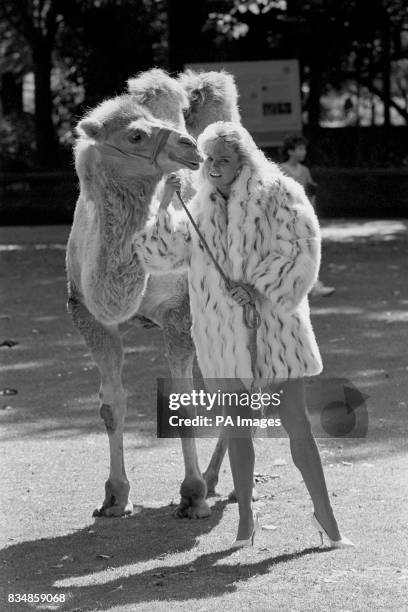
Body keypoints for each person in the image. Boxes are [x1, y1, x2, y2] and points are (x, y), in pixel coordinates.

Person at [134, 122, 354, 550]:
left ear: (244, 159)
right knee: (238, 429)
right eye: (209, 160)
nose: (214, 168)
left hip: (274, 331)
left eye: (224, 160)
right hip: (220, 336)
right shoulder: (197, 206)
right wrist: (162, 205)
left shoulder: (281, 192)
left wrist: (257, 287)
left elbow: (302, 250)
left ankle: (327, 517)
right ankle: (245, 521)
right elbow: (159, 256)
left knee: (297, 426)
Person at [281, 135, 335, 297]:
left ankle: (312, 284)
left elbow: (311, 192)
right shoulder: (280, 169)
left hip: (303, 218)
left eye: (303, 148)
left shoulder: (305, 171)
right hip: (287, 219)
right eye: (300, 148)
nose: (303, 152)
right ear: (290, 151)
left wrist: (313, 212)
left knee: (308, 251)